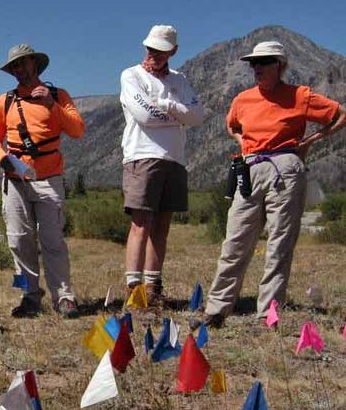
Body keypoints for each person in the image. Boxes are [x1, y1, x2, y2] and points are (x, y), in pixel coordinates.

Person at [204, 41, 346, 327]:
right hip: (250, 167)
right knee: (235, 240)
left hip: (285, 167)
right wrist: (240, 141)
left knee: (279, 244)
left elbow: (340, 114)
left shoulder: (300, 95)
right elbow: (231, 124)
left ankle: (268, 316)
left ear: (280, 66)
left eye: (264, 62)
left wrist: (310, 142)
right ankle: (216, 311)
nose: (257, 68)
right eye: (253, 63)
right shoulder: (242, 99)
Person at [0, 44, 86, 318]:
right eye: (15, 66)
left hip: (49, 180)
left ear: (35, 64)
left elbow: (77, 130)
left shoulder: (59, 96)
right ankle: (29, 296)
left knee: (53, 241)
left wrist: (52, 105)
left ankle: (64, 297)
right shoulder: (5, 101)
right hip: (14, 182)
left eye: (23, 64)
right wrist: (2, 159)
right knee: (18, 241)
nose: (19, 69)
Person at [119, 25, 204, 306]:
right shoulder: (131, 75)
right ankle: (134, 290)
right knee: (141, 223)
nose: (153, 54)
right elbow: (145, 115)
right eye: (150, 48)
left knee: (162, 225)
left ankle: (153, 287)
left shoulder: (180, 80)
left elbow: (197, 117)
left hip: (174, 158)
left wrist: (168, 105)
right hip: (142, 155)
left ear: (173, 52)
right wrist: (179, 115)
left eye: (160, 50)